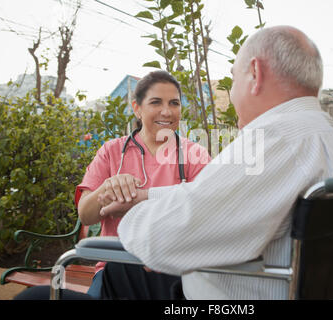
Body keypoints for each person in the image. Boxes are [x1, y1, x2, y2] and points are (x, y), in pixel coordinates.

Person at [108, 25, 333, 300]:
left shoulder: (275, 141)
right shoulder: (323, 138)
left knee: (116, 269)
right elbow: (211, 195)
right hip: (274, 287)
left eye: (234, 79)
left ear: (255, 73)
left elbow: (162, 241)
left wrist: (132, 222)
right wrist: (147, 196)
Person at [14, 70, 211, 300]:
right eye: (156, 102)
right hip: (115, 267)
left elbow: (207, 209)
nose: (167, 112)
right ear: (137, 108)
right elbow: (86, 215)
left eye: (174, 103)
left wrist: (145, 198)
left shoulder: (194, 154)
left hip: (173, 271)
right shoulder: (112, 152)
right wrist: (107, 189)